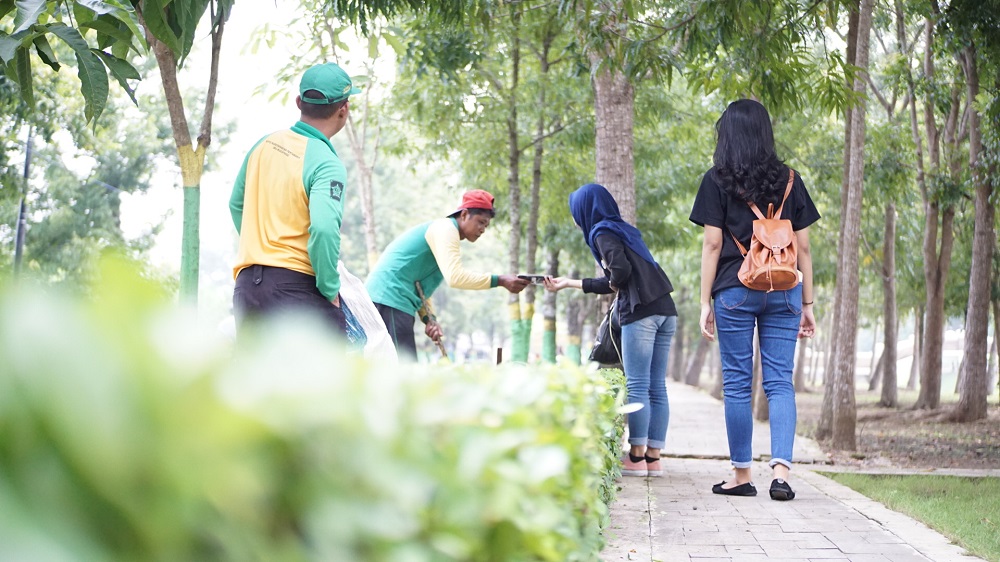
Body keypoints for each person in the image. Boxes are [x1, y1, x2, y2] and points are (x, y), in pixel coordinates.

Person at [689, 99, 819, 501]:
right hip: (785, 289)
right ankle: (781, 473)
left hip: (734, 289)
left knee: (738, 383)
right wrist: (809, 305)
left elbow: (712, 245)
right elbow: (805, 248)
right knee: (780, 382)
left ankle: (741, 475)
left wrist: (704, 301)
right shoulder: (791, 180)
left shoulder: (717, 180)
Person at [544, 183, 678, 478]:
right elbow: (616, 277)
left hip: (640, 313)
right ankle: (653, 459)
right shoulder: (626, 231)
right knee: (657, 386)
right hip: (666, 310)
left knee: (638, 385)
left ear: (585, 209)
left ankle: (636, 457)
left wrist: (617, 281)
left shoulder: (601, 231)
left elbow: (619, 273)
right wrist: (569, 282)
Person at [230, 62, 361, 336]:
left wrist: (263, 250)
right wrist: (329, 289)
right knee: (324, 377)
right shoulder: (326, 163)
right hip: (296, 292)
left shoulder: (262, 145)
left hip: (247, 292)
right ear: (344, 109)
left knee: (257, 378)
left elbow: (236, 203)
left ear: (299, 102)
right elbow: (324, 229)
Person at [365, 190, 530, 359]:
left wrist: (429, 319)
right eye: (481, 222)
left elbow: (419, 285)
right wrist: (500, 280)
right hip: (389, 298)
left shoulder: (445, 234)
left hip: (389, 299)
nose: (482, 230)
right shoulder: (446, 229)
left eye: (486, 226)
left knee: (392, 368)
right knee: (404, 369)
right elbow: (455, 277)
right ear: (465, 214)